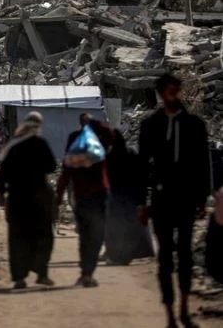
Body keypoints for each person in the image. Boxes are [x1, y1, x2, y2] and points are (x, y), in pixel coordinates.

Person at [138, 73, 211, 328]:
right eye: (166, 90)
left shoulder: (194, 124)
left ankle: (184, 310)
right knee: (165, 257)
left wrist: (203, 198)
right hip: (161, 198)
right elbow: (142, 166)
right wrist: (141, 202)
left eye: (174, 90)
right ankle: (169, 312)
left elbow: (203, 163)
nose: (171, 95)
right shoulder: (151, 125)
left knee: (185, 255)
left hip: (187, 198)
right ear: (160, 93)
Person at [0, 112, 57, 290]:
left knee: (18, 238)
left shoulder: (13, 145)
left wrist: (1, 194)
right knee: (43, 236)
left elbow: (2, 173)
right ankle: (42, 273)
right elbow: (52, 166)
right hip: (39, 197)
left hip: (17, 198)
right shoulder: (41, 143)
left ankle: (19, 277)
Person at [56, 120, 110, 288]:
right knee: (96, 236)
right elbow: (110, 134)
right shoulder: (98, 153)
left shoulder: (73, 156)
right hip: (99, 199)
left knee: (85, 237)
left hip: (81, 200)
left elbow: (64, 178)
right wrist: (93, 124)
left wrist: (58, 198)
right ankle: (88, 272)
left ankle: (85, 273)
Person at [104, 126, 155, 265]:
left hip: (117, 198)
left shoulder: (110, 157)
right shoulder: (131, 152)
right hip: (132, 197)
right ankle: (128, 254)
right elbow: (142, 173)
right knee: (131, 227)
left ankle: (118, 256)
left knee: (116, 228)